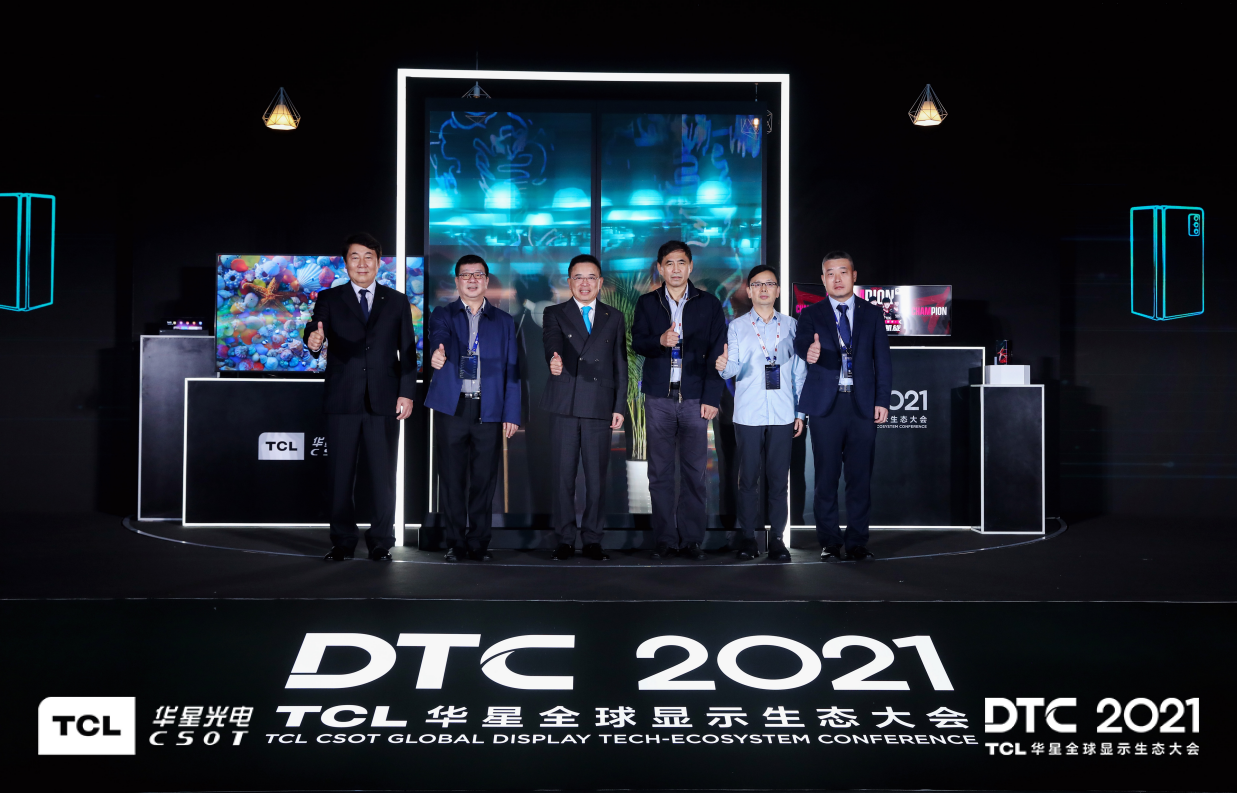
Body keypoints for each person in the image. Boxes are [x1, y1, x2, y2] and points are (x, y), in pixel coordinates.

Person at [304, 232, 417, 562]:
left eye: (369, 257)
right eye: (355, 257)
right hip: (342, 398)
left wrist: (407, 393)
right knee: (339, 477)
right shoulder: (330, 297)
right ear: (346, 263)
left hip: (385, 399)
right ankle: (342, 541)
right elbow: (315, 328)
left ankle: (381, 541)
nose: (362, 263)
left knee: (383, 477)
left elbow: (408, 352)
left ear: (379, 262)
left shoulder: (396, 301)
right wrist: (313, 340)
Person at [631, 241, 727, 560]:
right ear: (660, 268)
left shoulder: (708, 304)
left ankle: (691, 540)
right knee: (659, 473)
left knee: (694, 473)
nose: (675, 269)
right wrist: (659, 340)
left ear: (690, 266)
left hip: (695, 399)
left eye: (681, 263)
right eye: (669, 263)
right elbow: (637, 342)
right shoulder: (648, 302)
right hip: (659, 398)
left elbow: (719, 353)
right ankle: (665, 539)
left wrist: (711, 397)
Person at [794, 251, 891, 562]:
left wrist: (882, 400)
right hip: (827, 405)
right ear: (823, 279)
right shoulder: (811, 314)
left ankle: (857, 542)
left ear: (854, 275)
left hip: (862, 405)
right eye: (830, 273)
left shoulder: (872, 314)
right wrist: (809, 351)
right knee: (826, 478)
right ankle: (830, 542)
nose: (837, 279)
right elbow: (802, 343)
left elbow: (883, 361)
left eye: (843, 272)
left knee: (859, 478)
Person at [423, 255, 520, 562]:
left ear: (487, 280)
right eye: (466, 275)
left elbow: (513, 370)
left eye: (478, 274)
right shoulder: (443, 314)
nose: (472, 280)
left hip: (488, 409)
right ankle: (455, 542)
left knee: (484, 480)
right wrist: (438, 352)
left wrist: (512, 413)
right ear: (457, 281)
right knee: (452, 480)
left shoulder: (503, 321)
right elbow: (438, 336)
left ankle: (479, 542)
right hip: (452, 408)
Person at [715, 265, 805, 562]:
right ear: (749, 291)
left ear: (778, 290)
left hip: (783, 412)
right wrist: (723, 366)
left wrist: (801, 412)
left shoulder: (792, 326)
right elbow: (732, 368)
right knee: (747, 480)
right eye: (757, 284)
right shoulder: (737, 327)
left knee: (779, 481)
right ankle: (748, 538)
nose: (764, 289)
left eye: (769, 284)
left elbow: (799, 373)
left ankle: (777, 540)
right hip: (748, 414)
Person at [541, 254, 628, 561]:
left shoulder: (614, 316)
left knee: (596, 479)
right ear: (569, 282)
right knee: (563, 477)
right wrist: (554, 359)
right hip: (565, 403)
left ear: (600, 282)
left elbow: (620, 364)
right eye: (578, 277)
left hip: (599, 405)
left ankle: (592, 539)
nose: (585, 283)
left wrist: (619, 405)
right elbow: (552, 342)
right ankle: (564, 539)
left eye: (591, 277)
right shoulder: (554, 313)